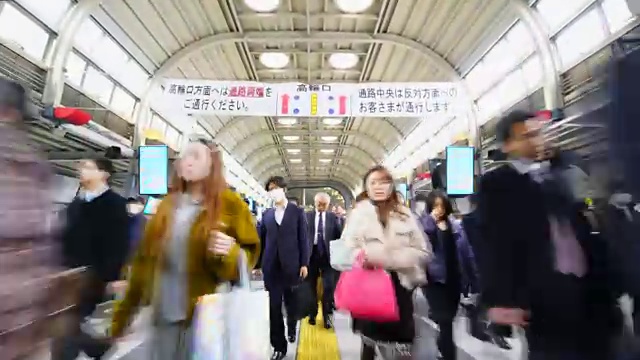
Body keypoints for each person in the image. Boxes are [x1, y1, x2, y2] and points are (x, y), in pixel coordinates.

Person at [478, 110, 620, 359]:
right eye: (528, 135)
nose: (537, 139)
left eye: (539, 132)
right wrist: (498, 299)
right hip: (544, 298)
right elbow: (493, 244)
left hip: (592, 292)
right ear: (508, 145)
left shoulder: (562, 172)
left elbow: (589, 227)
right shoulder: (497, 185)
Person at [109, 138, 260, 360]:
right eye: (184, 156)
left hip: (206, 316)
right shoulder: (167, 206)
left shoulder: (231, 205)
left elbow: (249, 257)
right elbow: (143, 263)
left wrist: (232, 252)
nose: (187, 161)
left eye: (196, 156)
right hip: (163, 314)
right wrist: (121, 320)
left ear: (213, 165)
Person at [343, 165, 432, 360]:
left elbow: (422, 250)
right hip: (370, 288)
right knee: (368, 344)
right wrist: (363, 257)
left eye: (383, 182)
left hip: (400, 287)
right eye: (373, 182)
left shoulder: (405, 214)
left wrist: (393, 259)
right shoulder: (359, 215)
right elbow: (348, 248)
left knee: (402, 345)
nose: (378, 186)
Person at [53, 157, 130, 360]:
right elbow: (64, 237)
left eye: (88, 167)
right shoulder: (76, 204)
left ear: (104, 174)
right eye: (81, 167)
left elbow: (119, 243)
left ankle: (88, 349)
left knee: (65, 325)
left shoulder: (115, 204)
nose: (82, 170)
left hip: (93, 275)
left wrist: (114, 277)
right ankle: (95, 347)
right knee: (66, 322)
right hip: (68, 274)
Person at [420, 190, 479, 360]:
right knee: (445, 322)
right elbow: (423, 237)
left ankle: (442, 345)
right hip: (435, 282)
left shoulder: (456, 227)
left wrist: (474, 282)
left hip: (454, 281)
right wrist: (431, 219)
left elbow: (467, 254)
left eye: (442, 205)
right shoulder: (426, 227)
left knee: (448, 321)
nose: (439, 209)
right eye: (435, 205)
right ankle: (449, 355)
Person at [256, 175, 309, 360]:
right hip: (271, 267)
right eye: (270, 189)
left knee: (291, 302)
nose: (274, 191)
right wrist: (257, 264)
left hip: (292, 265)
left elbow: (303, 239)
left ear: (284, 189)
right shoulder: (266, 215)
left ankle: (292, 327)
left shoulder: (297, 212)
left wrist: (304, 263)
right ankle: (278, 346)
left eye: (276, 187)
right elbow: (261, 241)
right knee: (274, 307)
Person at [305, 192, 343, 329]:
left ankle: (327, 316)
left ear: (328, 204)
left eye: (324, 204)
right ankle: (312, 313)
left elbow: (339, 237)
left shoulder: (334, 218)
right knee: (310, 287)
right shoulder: (307, 217)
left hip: (328, 257)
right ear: (315, 203)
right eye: (319, 204)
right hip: (311, 255)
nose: (321, 207)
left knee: (328, 287)